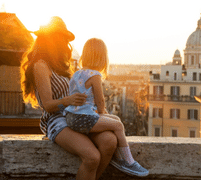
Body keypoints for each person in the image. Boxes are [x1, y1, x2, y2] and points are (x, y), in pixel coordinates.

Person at [20, 16, 118, 180]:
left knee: (109, 142)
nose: (65, 44)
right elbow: (48, 105)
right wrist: (68, 100)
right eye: (62, 38)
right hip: (56, 120)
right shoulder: (40, 65)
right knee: (92, 157)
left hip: (76, 116)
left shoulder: (63, 67)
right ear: (51, 40)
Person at [64, 38, 149, 177]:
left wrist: (104, 116)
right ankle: (127, 161)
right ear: (102, 57)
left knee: (114, 118)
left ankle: (122, 157)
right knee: (118, 125)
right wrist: (102, 114)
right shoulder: (95, 75)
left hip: (72, 117)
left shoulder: (76, 74)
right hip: (83, 119)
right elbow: (100, 101)